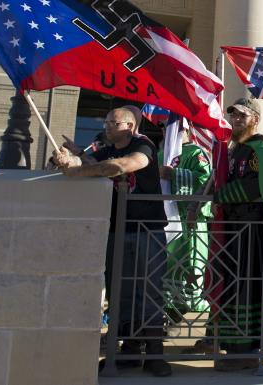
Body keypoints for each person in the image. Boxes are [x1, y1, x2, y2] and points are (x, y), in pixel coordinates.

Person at [52, 106, 172, 378]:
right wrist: (66, 159)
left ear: (129, 126)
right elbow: (91, 165)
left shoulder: (144, 146)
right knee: (120, 293)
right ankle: (127, 352)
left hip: (146, 230)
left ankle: (155, 354)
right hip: (116, 230)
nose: (107, 126)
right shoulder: (105, 147)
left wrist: (76, 170)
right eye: (106, 121)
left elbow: (122, 166)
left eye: (113, 122)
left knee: (150, 290)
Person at [211, 97, 263, 371]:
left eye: (242, 116)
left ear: (255, 119)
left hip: (254, 231)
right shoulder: (235, 150)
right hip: (236, 229)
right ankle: (235, 347)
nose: (236, 120)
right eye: (234, 116)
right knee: (234, 285)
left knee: (248, 286)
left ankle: (247, 349)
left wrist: (221, 194)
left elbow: (258, 186)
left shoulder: (260, 150)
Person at [158, 126, 212, 315]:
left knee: (191, 257)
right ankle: (168, 301)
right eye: (166, 129)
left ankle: (191, 299)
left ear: (187, 131)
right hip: (164, 217)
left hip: (189, 216)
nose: (169, 132)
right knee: (165, 260)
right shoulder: (160, 154)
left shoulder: (196, 152)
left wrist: (174, 174)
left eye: (176, 129)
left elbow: (205, 180)